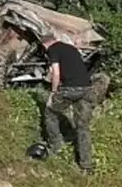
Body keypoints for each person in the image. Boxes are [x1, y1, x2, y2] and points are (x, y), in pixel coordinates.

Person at [41, 34, 98, 176]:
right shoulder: (71, 49)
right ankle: (86, 166)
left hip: (70, 89)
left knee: (50, 113)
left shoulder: (53, 49)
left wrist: (53, 92)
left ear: (45, 44)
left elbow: (56, 73)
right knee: (82, 127)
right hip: (87, 89)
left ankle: (56, 146)